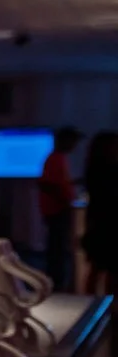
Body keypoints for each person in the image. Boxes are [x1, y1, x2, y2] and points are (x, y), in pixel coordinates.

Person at [38, 126, 84, 292]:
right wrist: (65, 200)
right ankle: (56, 281)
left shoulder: (58, 158)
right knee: (57, 246)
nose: (74, 146)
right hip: (56, 209)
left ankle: (57, 280)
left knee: (58, 245)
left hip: (57, 208)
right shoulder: (55, 159)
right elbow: (49, 184)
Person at [81, 131, 117, 295]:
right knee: (108, 269)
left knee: (98, 269)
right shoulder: (107, 170)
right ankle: (109, 303)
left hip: (98, 225)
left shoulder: (93, 169)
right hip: (106, 225)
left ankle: (93, 303)